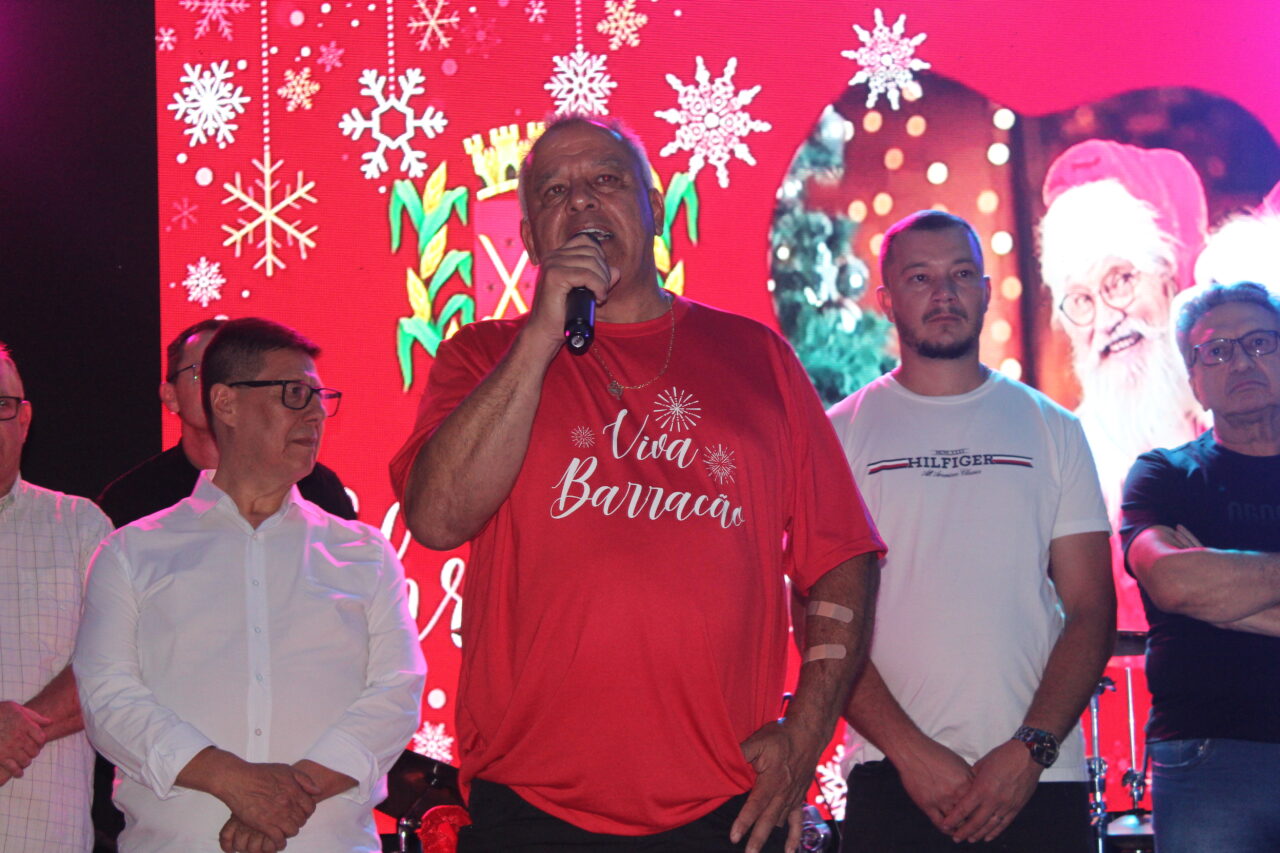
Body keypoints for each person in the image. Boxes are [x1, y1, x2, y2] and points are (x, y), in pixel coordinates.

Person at [389, 114, 884, 853]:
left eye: (606, 180)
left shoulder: (757, 358)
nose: (582, 202)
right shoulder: (483, 356)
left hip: (726, 802)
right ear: (529, 240)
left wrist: (806, 732)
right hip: (529, 805)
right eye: (554, 191)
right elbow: (435, 517)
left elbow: (842, 555)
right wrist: (539, 336)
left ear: (653, 208)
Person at [73, 318, 425, 852]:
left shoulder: (365, 553)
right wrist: (233, 782)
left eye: (319, 397)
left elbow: (396, 694)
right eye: (294, 394)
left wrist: (282, 798)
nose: (315, 413)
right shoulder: (131, 552)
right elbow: (108, 699)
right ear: (226, 403)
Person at [827, 211, 1115, 851]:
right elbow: (818, 615)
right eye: (920, 278)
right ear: (886, 300)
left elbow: (1092, 608)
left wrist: (1030, 749)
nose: (943, 294)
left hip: (1039, 775)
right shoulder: (840, 434)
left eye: (960, 275)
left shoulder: (1054, 429)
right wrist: (911, 754)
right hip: (891, 773)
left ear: (985, 291)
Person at [1121, 281, 1280, 852]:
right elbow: (1172, 582)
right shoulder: (1162, 475)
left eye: (1260, 342)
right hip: (1208, 757)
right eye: (1216, 350)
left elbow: (1195, 588)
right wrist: (1195, 588)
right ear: (1194, 380)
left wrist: (1226, 602)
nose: (1241, 361)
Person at [1039, 139, 1209, 629]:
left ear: (1167, 280)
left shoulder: (1244, 433)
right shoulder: (1061, 469)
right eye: (1081, 300)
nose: (1107, 319)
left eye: (1120, 281)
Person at [0, 343, 112, 852]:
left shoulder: (80, 526)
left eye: (2, 405)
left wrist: (15, 733)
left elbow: (116, 666)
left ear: (25, 420)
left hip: (46, 835)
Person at [98, 318, 356, 528]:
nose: (219, 382)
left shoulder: (319, 488)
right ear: (170, 396)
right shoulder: (130, 500)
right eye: (205, 371)